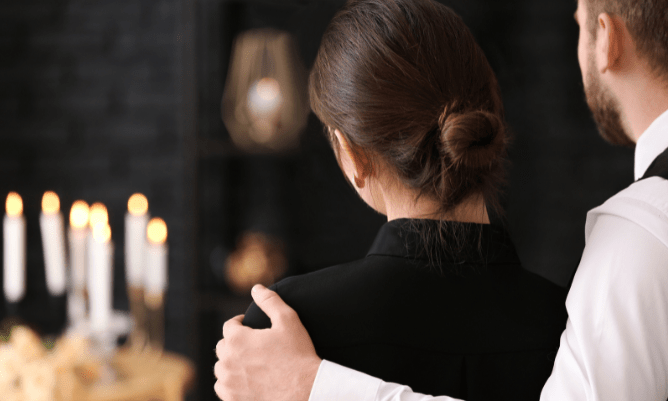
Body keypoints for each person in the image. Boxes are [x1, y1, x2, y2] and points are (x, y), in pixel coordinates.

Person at [214, 0, 668, 398]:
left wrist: (311, 386)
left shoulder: (281, 334)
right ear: (487, 117)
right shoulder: (569, 323)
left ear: (351, 156)